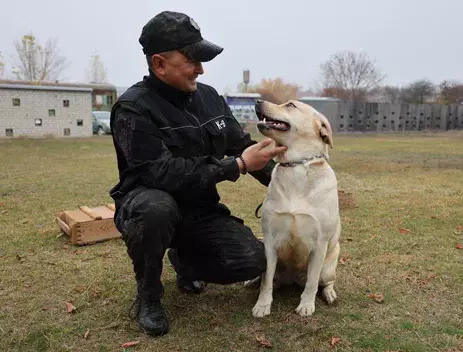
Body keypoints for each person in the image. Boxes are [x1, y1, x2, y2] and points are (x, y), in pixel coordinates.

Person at [109, 11, 287, 337]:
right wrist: (235, 166)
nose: (201, 69)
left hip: (199, 210)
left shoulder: (208, 98)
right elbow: (159, 173)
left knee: (252, 260)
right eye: (192, 60)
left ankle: (184, 261)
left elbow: (241, 145)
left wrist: (285, 177)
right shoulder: (134, 108)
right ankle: (148, 297)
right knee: (156, 210)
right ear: (159, 64)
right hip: (148, 204)